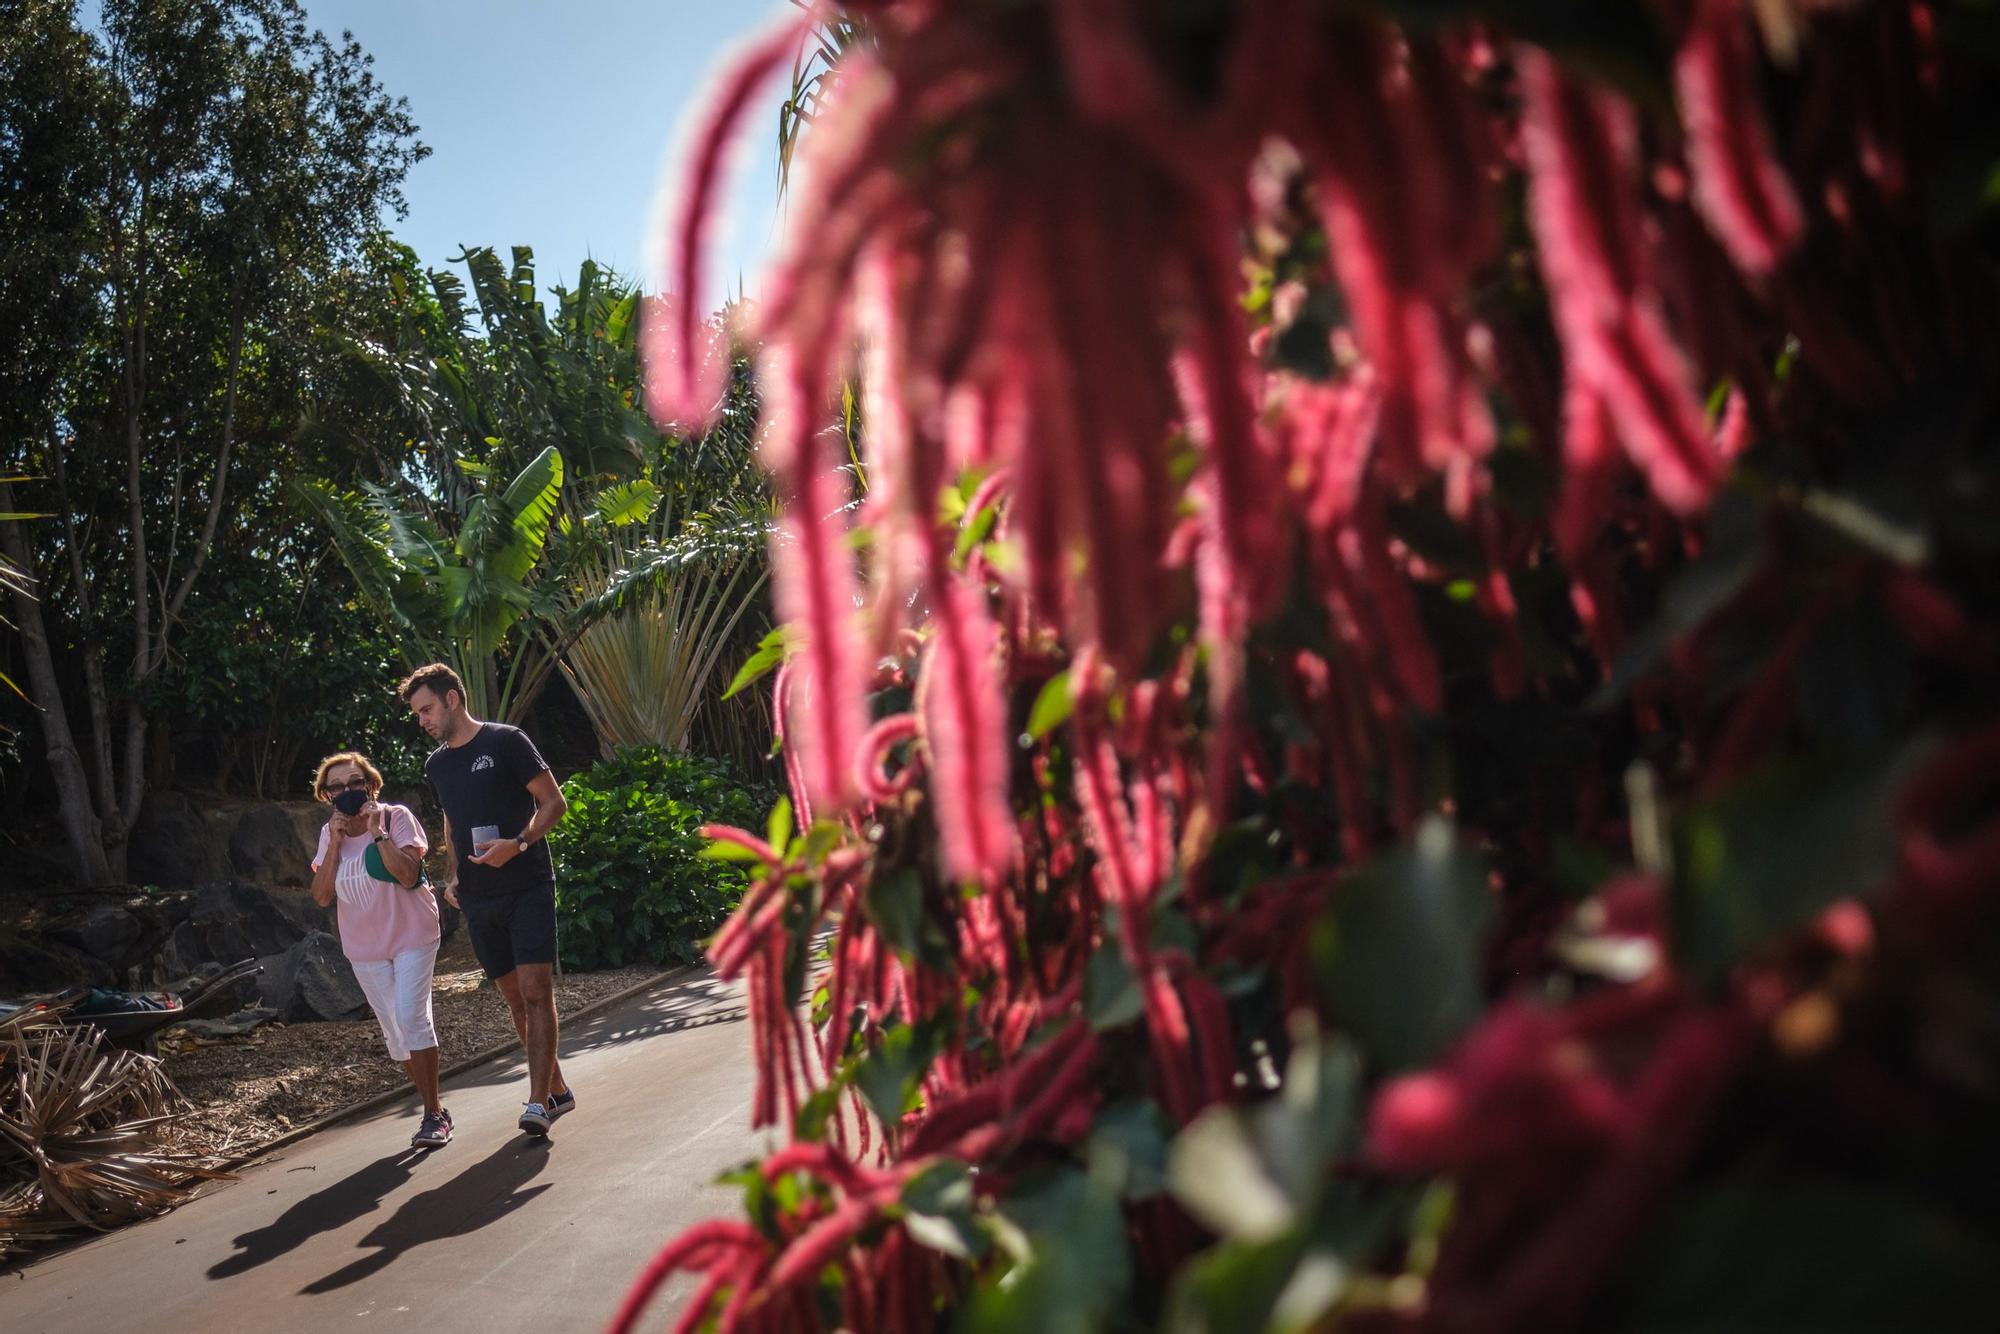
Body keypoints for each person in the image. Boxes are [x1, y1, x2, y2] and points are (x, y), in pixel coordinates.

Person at [400, 662, 575, 1137]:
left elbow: (553, 802)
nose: (424, 722)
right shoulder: (437, 765)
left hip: (528, 885)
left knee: (538, 992)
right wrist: (453, 876)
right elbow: (453, 823)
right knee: (516, 1000)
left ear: (453, 698)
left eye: (428, 709)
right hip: (479, 897)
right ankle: (557, 1089)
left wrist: (517, 844)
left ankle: (538, 1103)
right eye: (418, 714)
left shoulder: (506, 741)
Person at [309, 751, 452, 1149]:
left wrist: (376, 832)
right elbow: (321, 897)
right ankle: (434, 1106)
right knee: (395, 1035)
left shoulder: (395, 817)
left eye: (355, 783)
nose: (347, 792)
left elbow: (408, 876)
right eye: (336, 787)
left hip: (412, 934)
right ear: (326, 795)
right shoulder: (328, 834)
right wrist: (336, 842)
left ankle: (433, 1114)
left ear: (371, 785)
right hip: (365, 947)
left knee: (412, 1017)